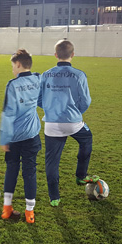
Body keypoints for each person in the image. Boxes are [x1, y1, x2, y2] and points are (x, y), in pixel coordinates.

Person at [38, 39, 98, 207]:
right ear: (73, 54)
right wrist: (75, 112)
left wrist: (50, 109)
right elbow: (86, 100)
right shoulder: (79, 75)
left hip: (51, 124)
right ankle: (80, 175)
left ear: (56, 55)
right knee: (86, 139)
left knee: (52, 161)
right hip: (73, 122)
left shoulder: (45, 74)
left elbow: (38, 99)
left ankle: (54, 197)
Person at [0, 49, 41, 224]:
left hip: (15, 137)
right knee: (30, 172)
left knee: (12, 169)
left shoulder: (12, 85)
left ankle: (7, 209)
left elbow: (8, 113)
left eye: (12, 66)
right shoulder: (38, 79)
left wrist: (3, 139)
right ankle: (29, 212)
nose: (12, 69)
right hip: (32, 135)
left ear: (18, 64)